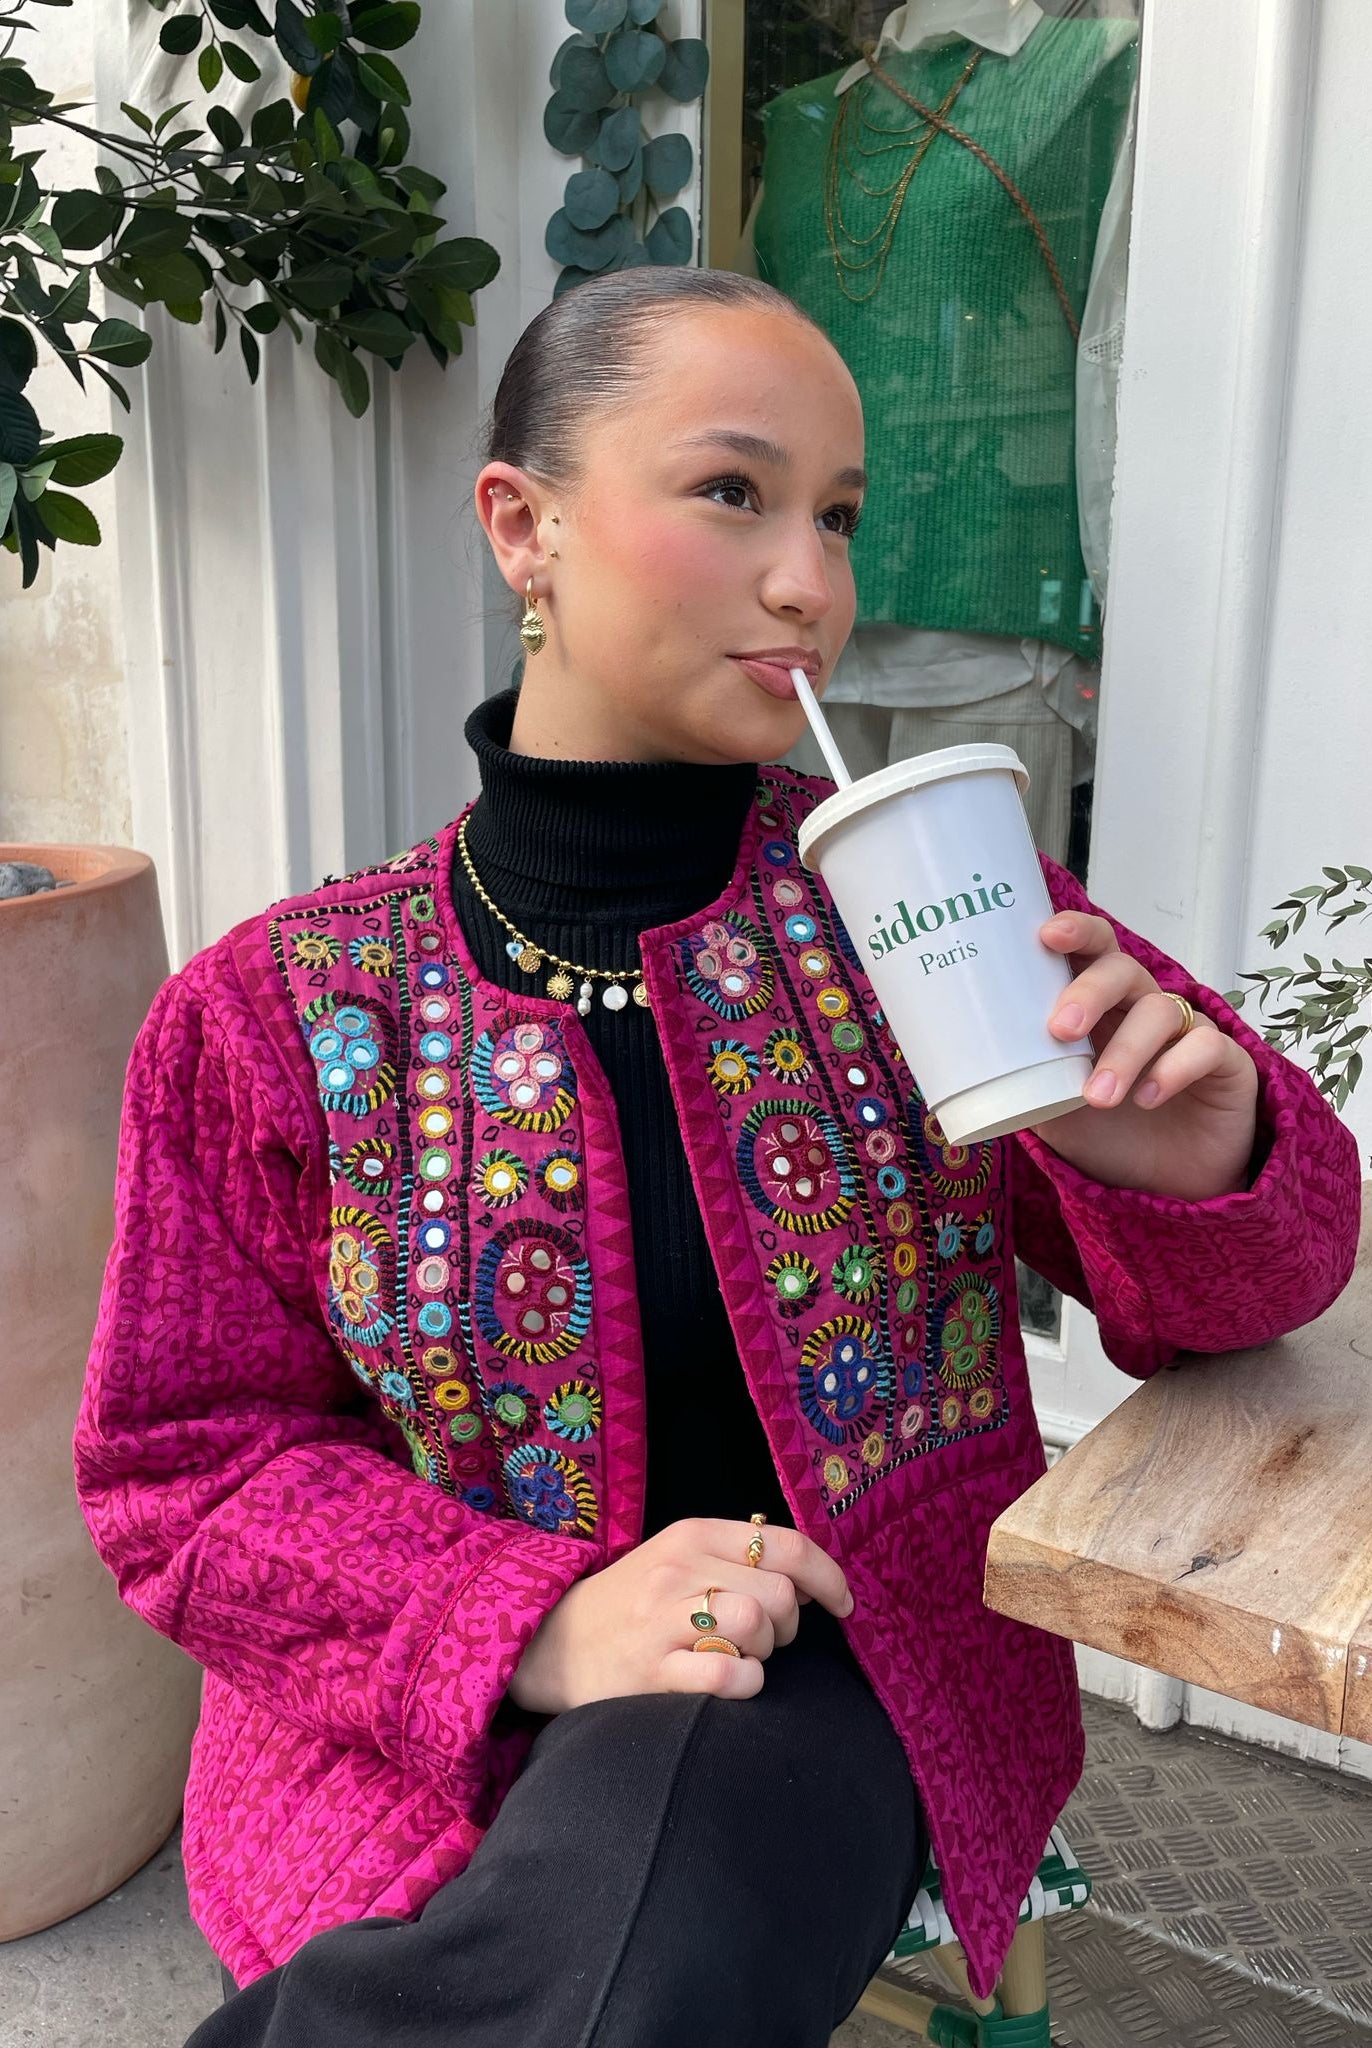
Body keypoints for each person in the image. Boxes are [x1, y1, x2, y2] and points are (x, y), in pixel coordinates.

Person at [74, 268, 1361, 2048]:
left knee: (658, 1871)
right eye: (734, 494)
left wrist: (1198, 1160)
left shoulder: (939, 912)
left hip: (852, 1654)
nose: (809, 584)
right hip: (402, 1723)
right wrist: (525, 1622)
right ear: (522, 530)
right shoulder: (273, 1014)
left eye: (837, 516)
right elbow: (183, 1468)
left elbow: (1275, 1285)